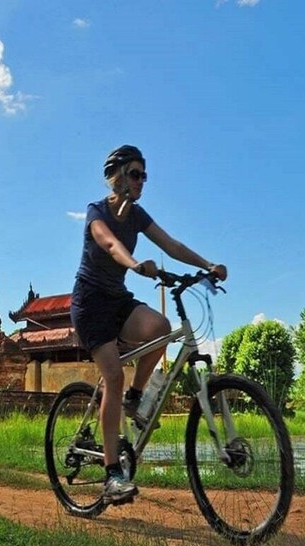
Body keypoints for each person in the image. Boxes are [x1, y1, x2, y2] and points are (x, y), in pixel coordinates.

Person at [70, 144, 227, 504]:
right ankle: (111, 476)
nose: (141, 181)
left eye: (144, 175)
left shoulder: (138, 216)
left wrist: (207, 265)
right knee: (113, 375)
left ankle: (135, 398)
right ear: (118, 177)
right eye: (135, 174)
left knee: (160, 327)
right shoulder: (98, 210)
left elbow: (171, 245)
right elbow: (109, 244)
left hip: (117, 300)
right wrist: (136, 265)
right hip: (90, 304)